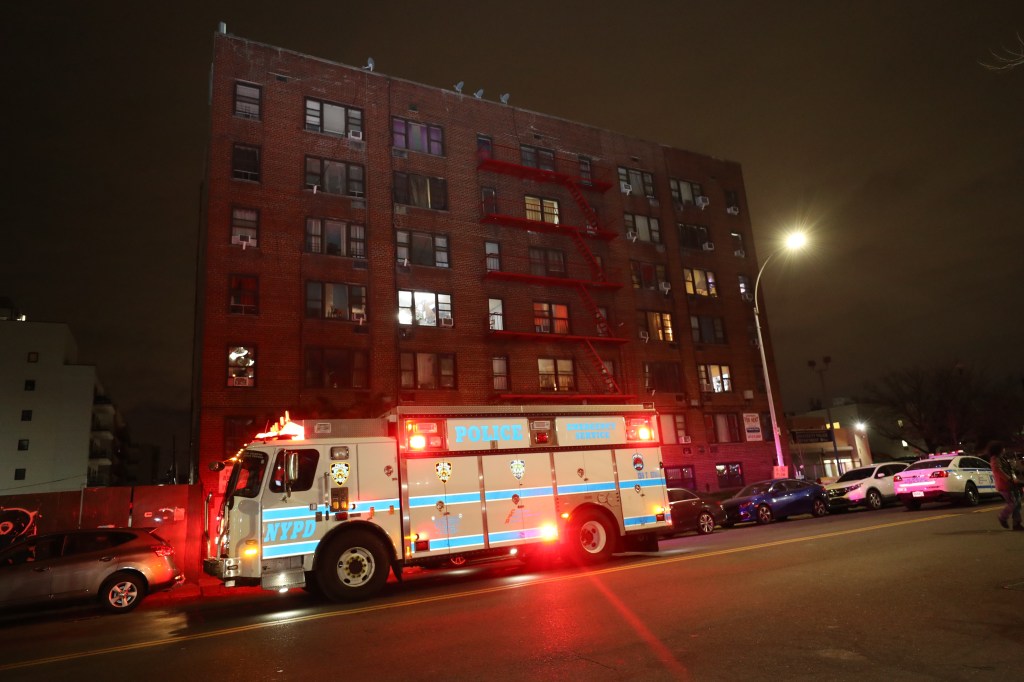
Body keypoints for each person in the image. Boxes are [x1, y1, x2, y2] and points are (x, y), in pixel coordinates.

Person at [988, 442, 1022, 531]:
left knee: (1017, 504)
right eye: (1002, 448)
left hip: (1010, 484)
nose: (1004, 450)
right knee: (1013, 503)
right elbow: (998, 470)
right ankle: (1002, 517)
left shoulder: (1001, 458)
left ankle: (1017, 523)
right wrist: (1008, 479)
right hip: (1005, 485)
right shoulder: (995, 459)